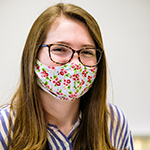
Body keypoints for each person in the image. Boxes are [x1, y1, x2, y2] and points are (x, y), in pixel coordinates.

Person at [0, 3, 134, 150]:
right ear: (33, 55)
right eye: (60, 49)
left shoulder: (114, 123)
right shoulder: (5, 125)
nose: (75, 64)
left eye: (87, 52)